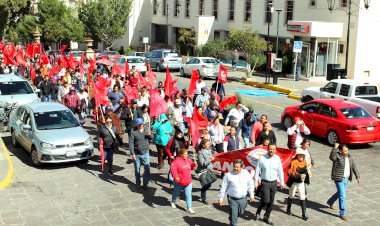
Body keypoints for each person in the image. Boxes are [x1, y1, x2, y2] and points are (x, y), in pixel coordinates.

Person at [327, 143, 360, 221]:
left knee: (340, 193)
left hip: (346, 179)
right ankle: (342, 213)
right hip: (339, 179)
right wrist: (334, 148)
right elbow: (332, 157)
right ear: (340, 151)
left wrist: (357, 176)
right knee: (342, 195)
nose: (347, 152)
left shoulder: (349, 157)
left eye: (347, 150)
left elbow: (354, 166)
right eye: (345, 151)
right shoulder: (337, 156)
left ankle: (330, 201)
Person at [254, 143, 285, 225]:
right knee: (266, 200)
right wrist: (255, 182)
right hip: (265, 182)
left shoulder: (277, 158)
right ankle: (258, 210)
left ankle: (266, 217)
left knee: (271, 202)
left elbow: (280, 171)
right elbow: (257, 171)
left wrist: (282, 182)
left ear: (275, 150)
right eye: (270, 149)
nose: (271, 150)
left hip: (274, 183)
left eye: (273, 149)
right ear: (267, 149)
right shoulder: (262, 158)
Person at [218, 159, 255, 226]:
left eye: (237, 167)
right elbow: (223, 186)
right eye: (234, 166)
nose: (235, 168)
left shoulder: (246, 173)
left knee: (241, 212)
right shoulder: (228, 175)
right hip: (232, 198)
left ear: (242, 167)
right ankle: (233, 220)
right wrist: (221, 198)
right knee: (234, 216)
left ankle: (232, 217)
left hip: (243, 198)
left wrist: (252, 195)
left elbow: (250, 184)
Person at [170, 148, 197, 214]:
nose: (186, 155)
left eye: (187, 154)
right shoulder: (176, 161)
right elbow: (173, 170)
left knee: (188, 195)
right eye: (185, 154)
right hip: (179, 182)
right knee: (176, 193)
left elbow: (192, 167)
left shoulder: (188, 160)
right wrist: (175, 176)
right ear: (181, 154)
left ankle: (189, 208)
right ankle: (173, 202)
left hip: (188, 181)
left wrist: (194, 165)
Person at [286, 148, 310, 221]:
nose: (301, 156)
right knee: (291, 195)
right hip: (293, 182)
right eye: (300, 155)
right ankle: (288, 209)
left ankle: (304, 214)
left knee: (302, 197)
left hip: (301, 182)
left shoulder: (304, 162)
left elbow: (306, 170)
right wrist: (299, 176)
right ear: (297, 155)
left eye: (303, 155)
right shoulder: (293, 162)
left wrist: (306, 174)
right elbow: (289, 173)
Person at [129, 118, 153, 190]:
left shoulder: (146, 128)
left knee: (147, 169)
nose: (141, 125)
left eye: (142, 124)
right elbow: (131, 143)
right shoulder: (133, 131)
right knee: (137, 169)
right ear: (137, 125)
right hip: (137, 153)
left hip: (146, 152)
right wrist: (132, 153)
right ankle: (138, 183)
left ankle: (145, 184)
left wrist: (150, 135)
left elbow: (152, 138)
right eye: (139, 124)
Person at [196, 139, 215, 204]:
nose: (208, 145)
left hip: (209, 170)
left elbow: (213, 151)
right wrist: (210, 159)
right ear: (203, 145)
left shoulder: (209, 150)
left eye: (208, 144)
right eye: (207, 144)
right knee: (205, 184)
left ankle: (203, 192)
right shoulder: (200, 153)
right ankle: (204, 198)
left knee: (209, 184)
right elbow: (202, 164)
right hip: (203, 171)